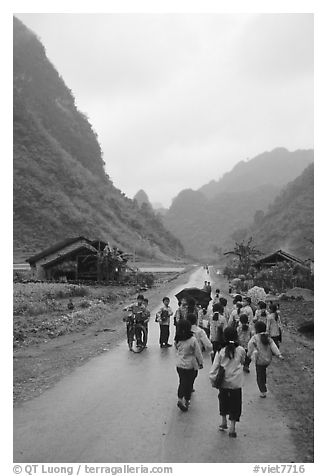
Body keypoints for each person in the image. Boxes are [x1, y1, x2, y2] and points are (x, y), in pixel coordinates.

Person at [209, 327, 246, 438]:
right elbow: (243, 361)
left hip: (224, 381)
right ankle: (232, 427)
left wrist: (213, 380)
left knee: (223, 400)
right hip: (236, 382)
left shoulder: (221, 351)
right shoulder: (240, 350)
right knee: (236, 403)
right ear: (236, 336)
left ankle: (224, 421)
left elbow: (214, 367)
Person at [248, 321, 284, 398]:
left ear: (256, 329)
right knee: (262, 372)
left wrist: (248, 355)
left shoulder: (255, 338)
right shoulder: (268, 338)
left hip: (259, 360)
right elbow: (273, 346)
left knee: (259, 376)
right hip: (268, 359)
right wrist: (279, 354)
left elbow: (250, 346)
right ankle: (264, 383)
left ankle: (263, 391)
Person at [175, 319, 203, 412]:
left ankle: (180, 399)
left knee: (182, 382)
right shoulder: (192, 340)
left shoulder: (177, 339)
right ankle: (187, 400)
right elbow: (198, 352)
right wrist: (201, 362)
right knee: (189, 383)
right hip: (190, 365)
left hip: (180, 364)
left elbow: (177, 348)